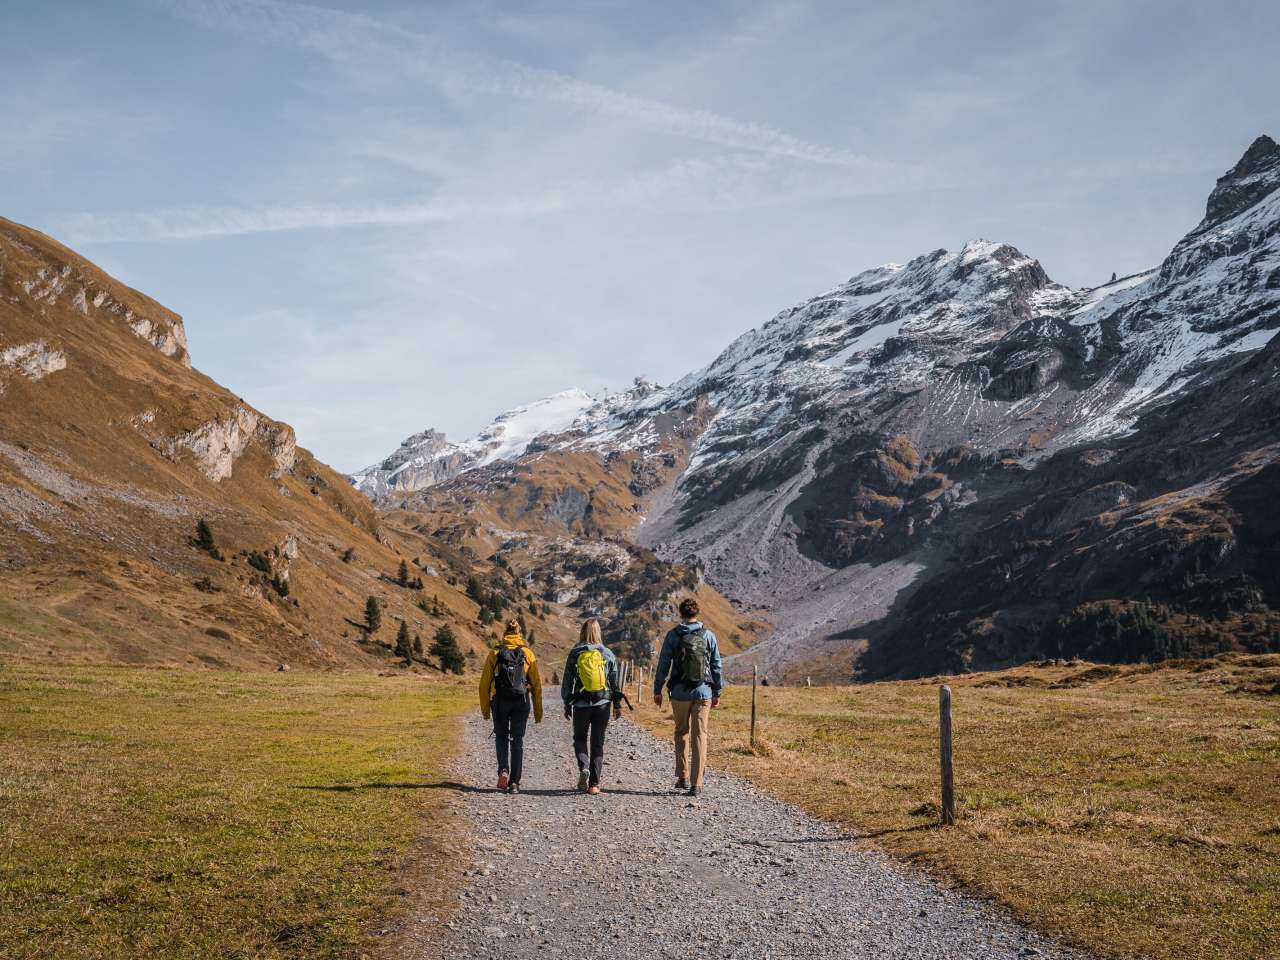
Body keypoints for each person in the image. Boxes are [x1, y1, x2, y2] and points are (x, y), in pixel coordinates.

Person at [652, 598, 723, 797]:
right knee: (700, 736)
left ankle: (682, 776)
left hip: (679, 693)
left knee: (681, 732)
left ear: (681, 614)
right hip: (703, 692)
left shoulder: (673, 635)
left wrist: (657, 690)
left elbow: (663, 665)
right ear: (697, 613)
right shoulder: (708, 635)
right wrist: (717, 692)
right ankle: (697, 783)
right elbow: (716, 666)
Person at [478, 618, 543, 794]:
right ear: (519, 634)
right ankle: (514, 783)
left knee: (501, 737)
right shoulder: (527, 654)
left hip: (499, 701)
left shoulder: (495, 653)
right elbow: (536, 685)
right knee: (517, 740)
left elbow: (484, 684)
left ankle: (503, 771)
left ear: (504, 634)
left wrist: (485, 710)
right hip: (521, 702)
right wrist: (538, 712)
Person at [561, 618, 622, 795]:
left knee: (579, 738)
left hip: (581, 703)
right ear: (598, 632)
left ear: (582, 632)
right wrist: (617, 704)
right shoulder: (607, 653)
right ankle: (594, 784)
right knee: (598, 742)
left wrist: (567, 702)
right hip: (602, 703)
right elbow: (614, 682)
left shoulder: (575, 653)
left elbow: (567, 681)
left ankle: (584, 767)